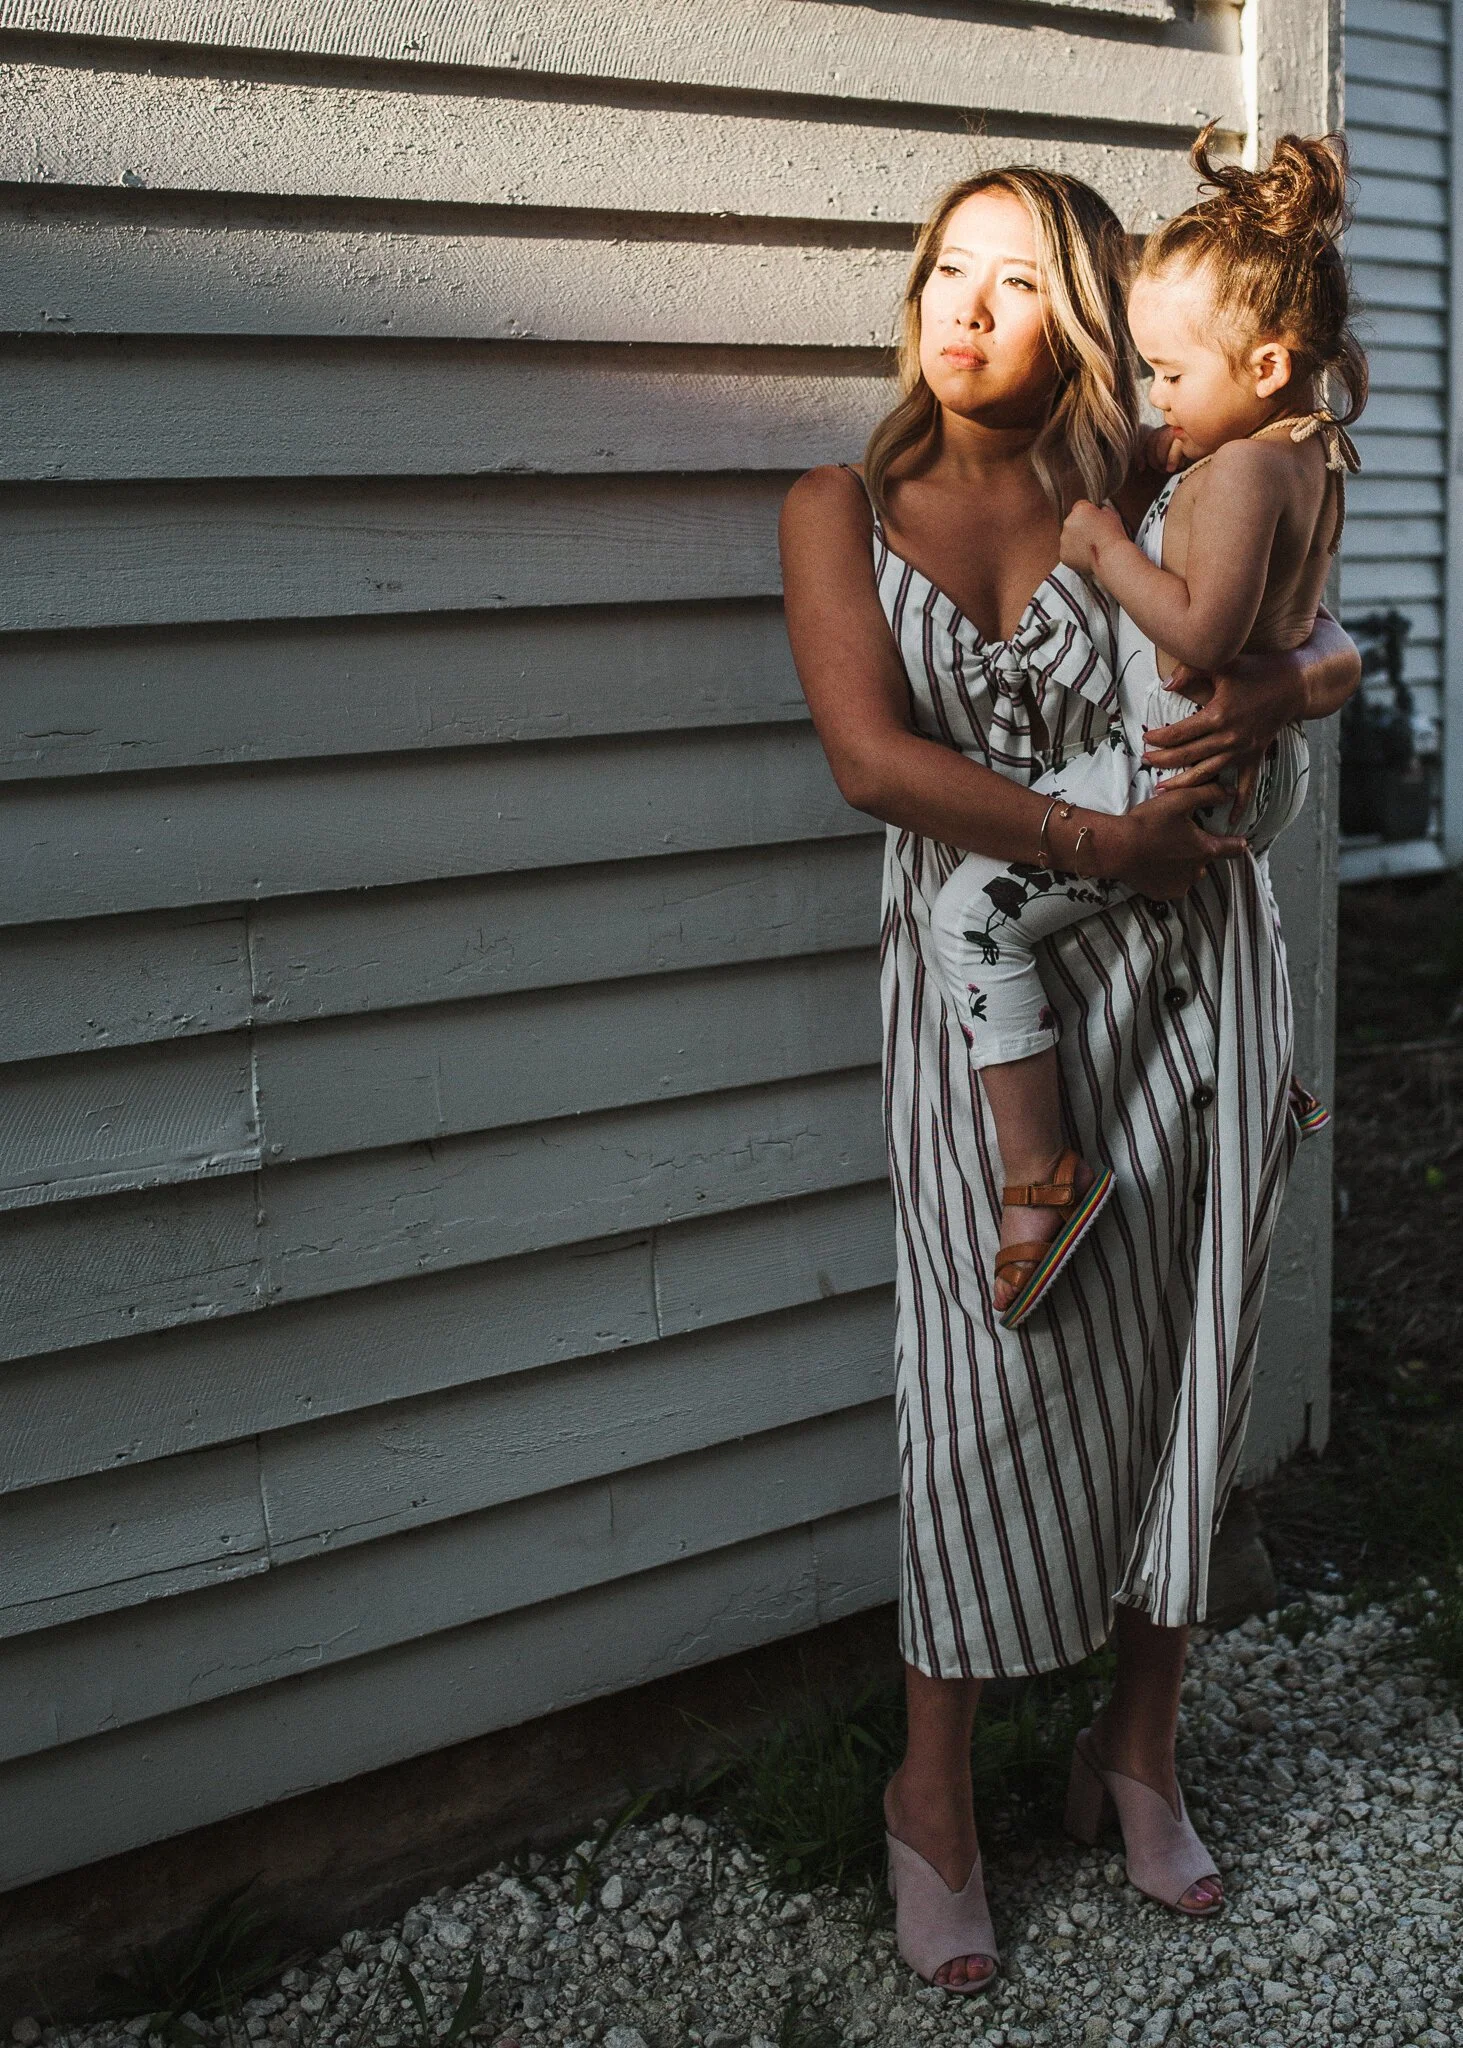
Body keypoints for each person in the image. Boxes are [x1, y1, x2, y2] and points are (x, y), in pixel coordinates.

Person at [779, 162, 1360, 1994]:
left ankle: (1137, 1749)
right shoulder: (834, 507)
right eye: (944, 269)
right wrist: (1094, 840)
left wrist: (1279, 692)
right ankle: (929, 1796)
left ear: (1085, 316)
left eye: (1015, 280)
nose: (963, 308)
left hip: (1181, 980)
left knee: (1182, 1365)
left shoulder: (1142, 478)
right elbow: (869, 764)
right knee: (979, 1384)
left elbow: (1318, 633)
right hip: (989, 1012)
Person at [925, 125, 1363, 1330]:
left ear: (1264, 363)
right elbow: (1296, 621)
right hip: (1249, 768)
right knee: (1196, 902)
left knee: (968, 917)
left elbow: (1193, 642)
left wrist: (1107, 545)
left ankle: (1040, 1175)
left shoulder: (1238, 472)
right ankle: (1260, 1075)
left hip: (1169, 761)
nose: (1156, 399)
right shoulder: (1302, 452)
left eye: (1168, 373)